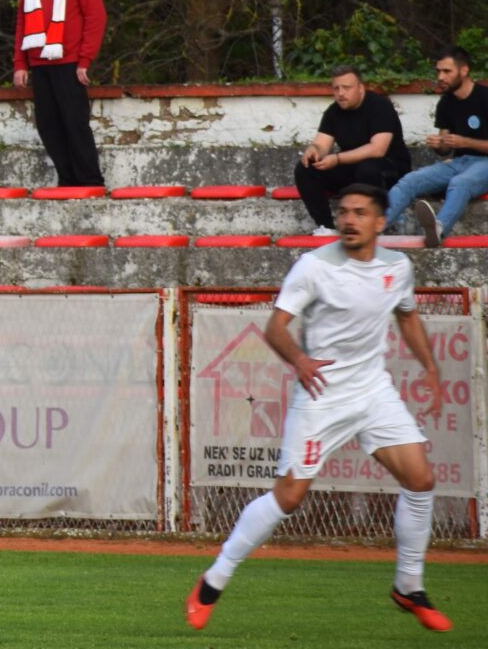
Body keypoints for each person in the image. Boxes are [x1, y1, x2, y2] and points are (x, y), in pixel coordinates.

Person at [187, 185, 451, 633]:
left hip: (373, 390)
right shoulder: (314, 266)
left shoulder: (397, 267)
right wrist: (301, 360)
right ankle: (214, 579)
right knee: (289, 497)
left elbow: (406, 315)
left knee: (421, 479)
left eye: (360, 213)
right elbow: (276, 326)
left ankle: (409, 586)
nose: (349, 220)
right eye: (344, 212)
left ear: (379, 222)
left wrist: (429, 367)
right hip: (323, 393)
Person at [11, 0, 107, 187]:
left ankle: (90, 181)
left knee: (74, 123)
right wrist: (20, 63)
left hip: (70, 61)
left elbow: (96, 16)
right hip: (39, 63)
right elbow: (22, 20)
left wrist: (85, 59)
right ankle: (67, 181)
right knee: (49, 126)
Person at [383, 45, 488, 247]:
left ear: (464, 71)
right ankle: (373, 228)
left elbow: (460, 143)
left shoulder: (485, 97)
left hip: (484, 163)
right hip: (459, 161)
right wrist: (438, 144)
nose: (440, 77)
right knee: (410, 181)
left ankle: (438, 229)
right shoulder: (446, 103)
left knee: (461, 183)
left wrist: (465, 142)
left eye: (447, 71)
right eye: (439, 71)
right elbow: (445, 150)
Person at [292, 66, 410, 230]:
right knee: (306, 169)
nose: (340, 93)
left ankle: (375, 226)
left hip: (389, 168)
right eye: (336, 88)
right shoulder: (333, 111)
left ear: (360, 88)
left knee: (368, 168)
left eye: (346, 88)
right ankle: (326, 228)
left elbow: (378, 150)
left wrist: (337, 158)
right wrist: (314, 150)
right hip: (354, 169)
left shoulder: (379, 106)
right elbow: (322, 144)